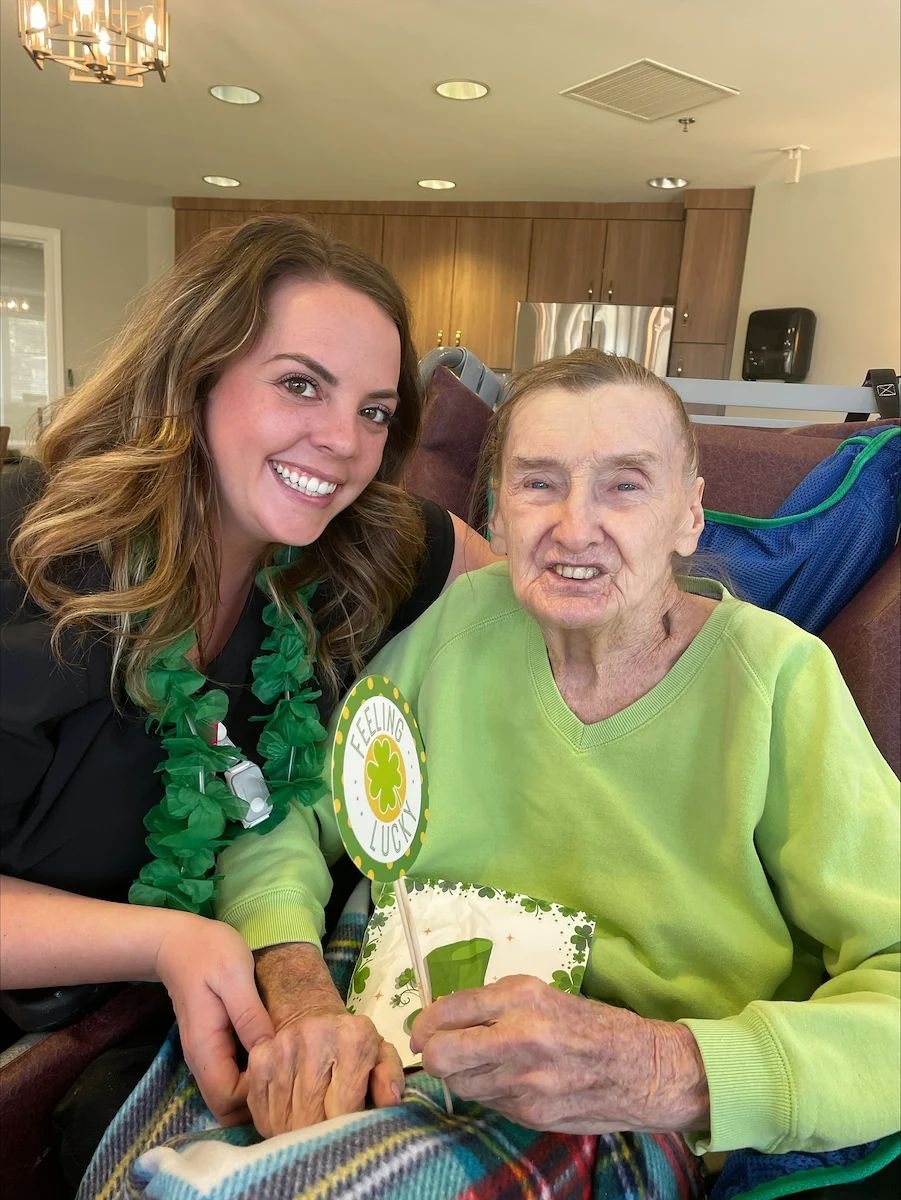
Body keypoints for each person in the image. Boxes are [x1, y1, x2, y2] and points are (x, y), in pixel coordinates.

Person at [215, 350, 900, 1178]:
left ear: (689, 516)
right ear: (496, 517)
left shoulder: (777, 680)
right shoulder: (461, 623)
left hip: (623, 1100)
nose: (574, 528)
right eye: (538, 483)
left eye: (624, 485)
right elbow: (290, 810)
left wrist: (667, 1068)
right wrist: (299, 998)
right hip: (387, 1023)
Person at [0, 214, 496, 1181]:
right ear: (197, 374)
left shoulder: (361, 544)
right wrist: (171, 941)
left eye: (374, 410)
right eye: (299, 384)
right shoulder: (30, 554)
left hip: (161, 1028)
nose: (342, 445)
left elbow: (527, 583)